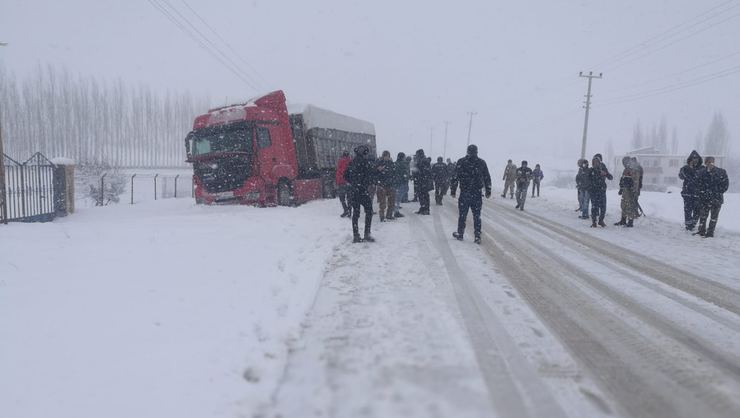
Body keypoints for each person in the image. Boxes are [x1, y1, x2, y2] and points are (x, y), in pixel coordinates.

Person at [451, 144, 492, 244]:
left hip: (465, 193)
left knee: (462, 215)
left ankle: (460, 234)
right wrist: (488, 190)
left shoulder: (461, 161)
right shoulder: (481, 162)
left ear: (467, 151)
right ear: (477, 152)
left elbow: (455, 177)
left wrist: (453, 190)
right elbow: (487, 177)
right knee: (477, 216)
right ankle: (477, 236)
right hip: (477, 194)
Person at [344, 145, 381, 243]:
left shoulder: (351, 163)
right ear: (365, 153)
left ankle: (356, 235)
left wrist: (353, 182)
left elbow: (345, 175)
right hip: (363, 191)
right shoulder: (365, 163)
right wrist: (377, 171)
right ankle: (367, 234)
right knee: (369, 212)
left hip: (353, 191)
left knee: (355, 214)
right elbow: (371, 174)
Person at [695, 156, 729, 238]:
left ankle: (710, 233)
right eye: (708, 162)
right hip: (704, 199)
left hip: (716, 199)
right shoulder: (701, 172)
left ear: (714, 162)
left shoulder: (721, 172)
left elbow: (725, 185)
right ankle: (701, 231)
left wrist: (717, 192)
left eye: (712, 162)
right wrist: (702, 193)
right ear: (705, 163)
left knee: (714, 217)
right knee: (703, 216)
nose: (710, 163)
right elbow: (698, 185)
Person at [678, 150, 703, 231]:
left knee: (697, 211)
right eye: (693, 159)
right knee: (688, 210)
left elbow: (702, 178)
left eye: (696, 159)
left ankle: (693, 223)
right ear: (690, 159)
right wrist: (689, 168)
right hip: (687, 193)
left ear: (699, 160)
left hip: (698, 194)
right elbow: (681, 176)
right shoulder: (685, 168)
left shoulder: (702, 168)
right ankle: (688, 225)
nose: (695, 160)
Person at [615, 156, 641, 227]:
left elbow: (636, 181)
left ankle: (630, 221)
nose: (624, 163)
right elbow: (623, 179)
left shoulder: (634, 169)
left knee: (630, 206)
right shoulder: (626, 169)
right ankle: (623, 220)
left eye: (625, 162)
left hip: (630, 191)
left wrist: (634, 191)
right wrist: (621, 188)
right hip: (625, 190)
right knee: (623, 205)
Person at [588, 153, 613, 228]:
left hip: (602, 190)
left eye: (597, 162)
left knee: (603, 207)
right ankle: (594, 222)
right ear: (592, 163)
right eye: (594, 162)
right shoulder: (591, 170)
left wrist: (605, 174)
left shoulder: (603, 168)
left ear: (600, 162)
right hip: (593, 191)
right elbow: (587, 180)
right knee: (594, 207)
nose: (596, 163)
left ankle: (601, 220)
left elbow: (610, 177)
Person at [375, 150, 396, 222]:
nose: (387, 157)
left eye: (388, 156)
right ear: (383, 156)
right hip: (381, 185)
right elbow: (374, 172)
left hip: (390, 184)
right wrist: (378, 170)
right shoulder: (379, 163)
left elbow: (394, 172)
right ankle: (382, 217)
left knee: (392, 201)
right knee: (382, 202)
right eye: (385, 156)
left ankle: (389, 215)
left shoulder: (391, 163)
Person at [413, 149, 433, 214]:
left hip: (424, 181)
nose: (416, 156)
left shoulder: (424, 160)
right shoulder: (422, 160)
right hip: (422, 180)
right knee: (422, 195)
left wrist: (418, 170)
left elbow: (426, 171)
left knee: (424, 195)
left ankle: (426, 209)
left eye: (417, 154)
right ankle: (423, 208)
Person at [335, 150, 352, 218]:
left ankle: (346, 210)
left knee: (342, 198)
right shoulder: (351, 161)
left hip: (342, 182)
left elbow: (340, 172)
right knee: (349, 198)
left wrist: (338, 181)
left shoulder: (341, 161)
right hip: (349, 182)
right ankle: (350, 211)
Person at [393, 152, 409, 217]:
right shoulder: (403, 164)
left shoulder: (394, 163)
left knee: (396, 197)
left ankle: (395, 209)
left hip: (395, 182)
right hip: (401, 182)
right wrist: (406, 179)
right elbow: (405, 174)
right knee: (398, 198)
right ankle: (396, 212)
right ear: (402, 157)